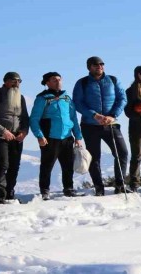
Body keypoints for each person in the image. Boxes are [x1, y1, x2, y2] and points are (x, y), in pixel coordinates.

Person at [72, 56, 129, 196]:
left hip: (111, 124)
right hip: (90, 125)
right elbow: (78, 103)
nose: (100, 66)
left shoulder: (113, 80)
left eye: (102, 64)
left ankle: (120, 185)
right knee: (94, 157)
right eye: (96, 64)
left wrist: (112, 115)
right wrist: (94, 115)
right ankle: (99, 187)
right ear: (89, 67)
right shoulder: (82, 83)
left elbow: (122, 99)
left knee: (122, 152)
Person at [29, 72, 84, 200]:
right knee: (47, 166)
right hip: (49, 138)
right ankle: (45, 190)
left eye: (59, 79)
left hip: (67, 137)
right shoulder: (42, 98)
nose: (58, 82)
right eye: (54, 80)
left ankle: (69, 188)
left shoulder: (67, 98)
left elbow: (73, 118)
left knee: (68, 165)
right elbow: (34, 119)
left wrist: (78, 136)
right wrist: (39, 136)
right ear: (47, 83)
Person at [0, 71, 30, 204]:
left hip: (17, 137)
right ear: (5, 81)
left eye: (19, 81)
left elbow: (25, 117)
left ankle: (10, 193)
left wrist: (24, 132)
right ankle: (0, 195)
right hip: (0, 136)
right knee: (3, 164)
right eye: (14, 81)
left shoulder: (20, 98)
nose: (17, 84)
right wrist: (3, 131)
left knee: (15, 165)